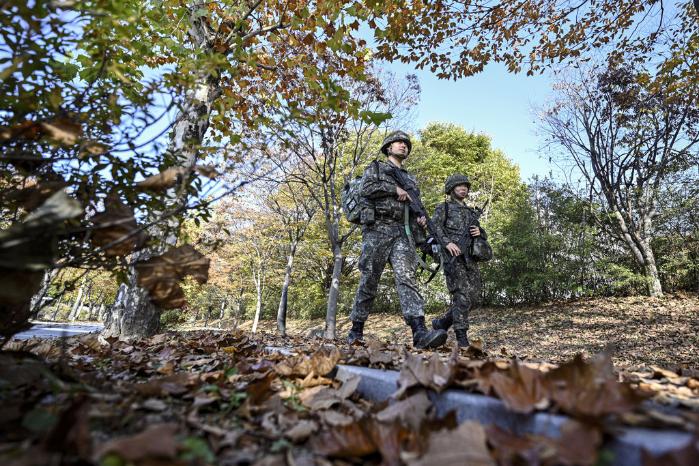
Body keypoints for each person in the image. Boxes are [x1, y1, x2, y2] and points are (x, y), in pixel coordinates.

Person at [347, 131, 448, 349]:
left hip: (402, 234)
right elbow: (366, 188)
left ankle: (419, 332)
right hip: (377, 230)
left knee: (407, 279)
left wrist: (421, 227)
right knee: (369, 280)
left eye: (406, 144)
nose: (403, 146)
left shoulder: (410, 178)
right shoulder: (376, 168)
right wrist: (394, 189)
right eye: (398, 143)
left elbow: (413, 210)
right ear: (388, 148)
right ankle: (356, 330)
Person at [429, 174, 486, 347]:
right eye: (459, 186)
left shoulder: (470, 212)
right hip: (453, 259)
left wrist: (480, 232)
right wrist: (447, 243)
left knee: (474, 297)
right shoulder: (443, 208)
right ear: (451, 189)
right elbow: (434, 228)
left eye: (465, 186)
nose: (463, 188)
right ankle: (462, 337)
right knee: (461, 297)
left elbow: (482, 235)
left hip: (470, 258)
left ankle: (443, 323)